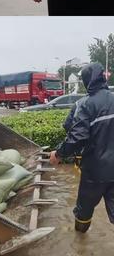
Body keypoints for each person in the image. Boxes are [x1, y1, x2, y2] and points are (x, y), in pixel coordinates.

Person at [50, 62, 114, 233]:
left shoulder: (85, 104)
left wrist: (58, 153)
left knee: (84, 210)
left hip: (94, 172)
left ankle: (80, 244)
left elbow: (75, 135)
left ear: (86, 82)